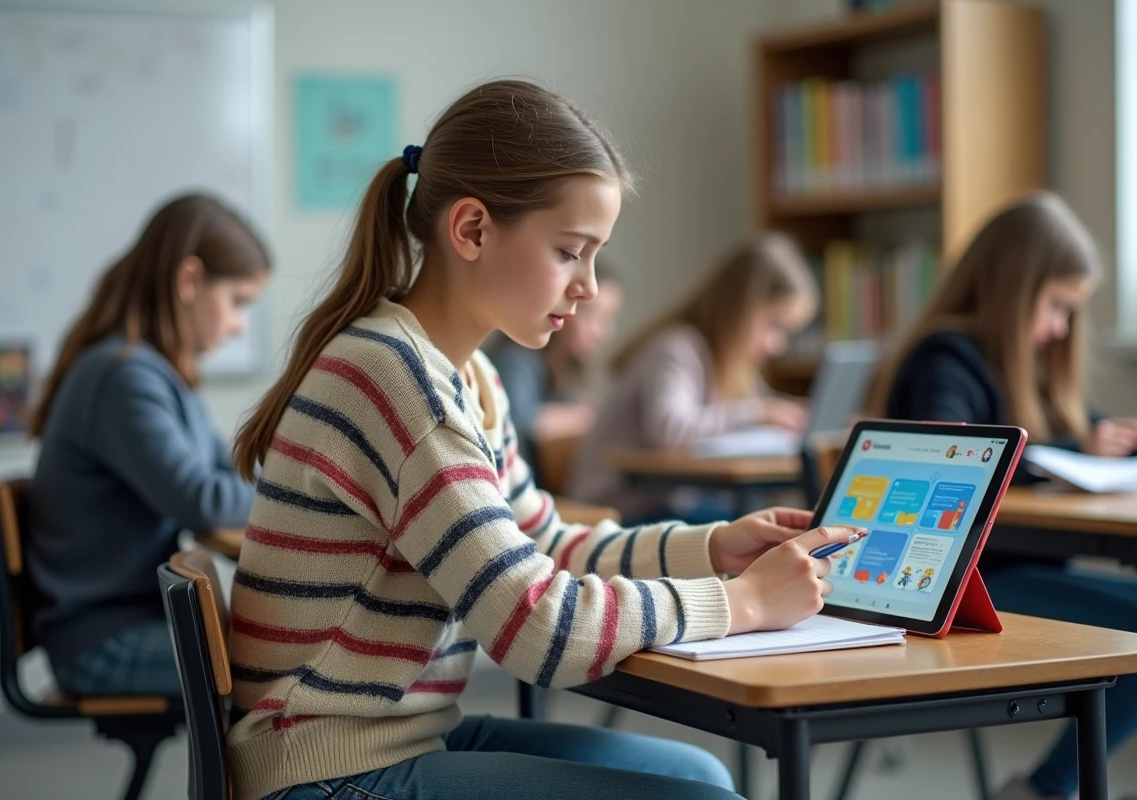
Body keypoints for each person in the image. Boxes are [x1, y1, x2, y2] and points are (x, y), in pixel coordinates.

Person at [228, 79, 856, 800]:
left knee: (695, 772)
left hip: (396, 733)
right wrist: (742, 603)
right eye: (570, 252)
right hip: (325, 765)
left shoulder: (471, 379)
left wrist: (712, 550)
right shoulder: (398, 383)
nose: (588, 286)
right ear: (471, 231)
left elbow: (547, 545)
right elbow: (539, 630)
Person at [868, 191, 1137, 800]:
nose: (1060, 328)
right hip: (959, 588)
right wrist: (1058, 461)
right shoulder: (948, 356)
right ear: (1014, 288)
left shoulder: (1029, 368)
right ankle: (1047, 789)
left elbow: (1086, 439)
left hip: (1016, 569)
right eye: (1056, 307)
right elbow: (948, 458)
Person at [28, 193, 270, 697]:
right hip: (104, 639)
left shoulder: (153, 373)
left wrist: (264, 477)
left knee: (282, 653)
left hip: (126, 621)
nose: (240, 323)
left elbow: (225, 468)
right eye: (238, 301)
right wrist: (294, 490)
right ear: (189, 280)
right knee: (282, 667)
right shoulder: (123, 376)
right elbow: (202, 498)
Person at [568, 233, 817, 523]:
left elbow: (762, 406)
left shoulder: (728, 361)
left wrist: (795, 413)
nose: (778, 345)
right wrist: (759, 413)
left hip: (665, 509)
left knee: (765, 527)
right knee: (758, 533)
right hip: (616, 512)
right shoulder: (676, 347)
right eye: (774, 325)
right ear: (739, 308)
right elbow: (671, 430)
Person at [486, 259, 623, 477]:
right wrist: (579, 416)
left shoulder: (570, 369)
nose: (603, 331)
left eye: (609, 318)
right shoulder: (517, 359)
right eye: (592, 315)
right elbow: (515, 423)